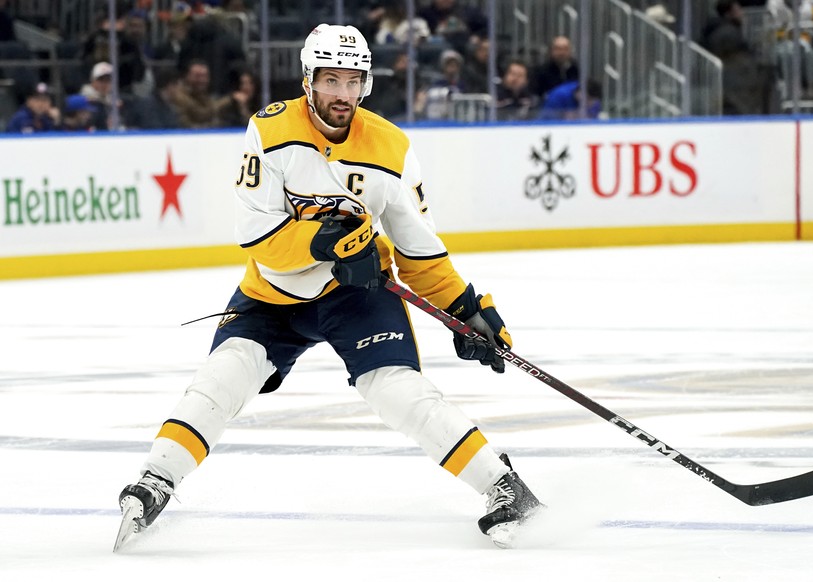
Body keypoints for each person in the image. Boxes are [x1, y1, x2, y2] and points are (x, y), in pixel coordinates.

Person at [115, 23, 543, 552]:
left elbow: (417, 248)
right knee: (224, 376)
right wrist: (325, 244)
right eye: (331, 79)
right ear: (308, 79)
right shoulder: (269, 131)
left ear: (366, 84)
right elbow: (256, 235)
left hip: (357, 294)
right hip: (272, 293)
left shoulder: (391, 147)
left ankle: (504, 486)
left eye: (353, 81)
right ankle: (156, 478)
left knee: (395, 389)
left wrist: (465, 305)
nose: (342, 94)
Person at [531, 35, 579, 100]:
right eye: (558, 49)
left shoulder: (576, 69)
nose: (561, 53)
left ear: (570, 51)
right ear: (551, 51)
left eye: (565, 49)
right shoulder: (541, 71)